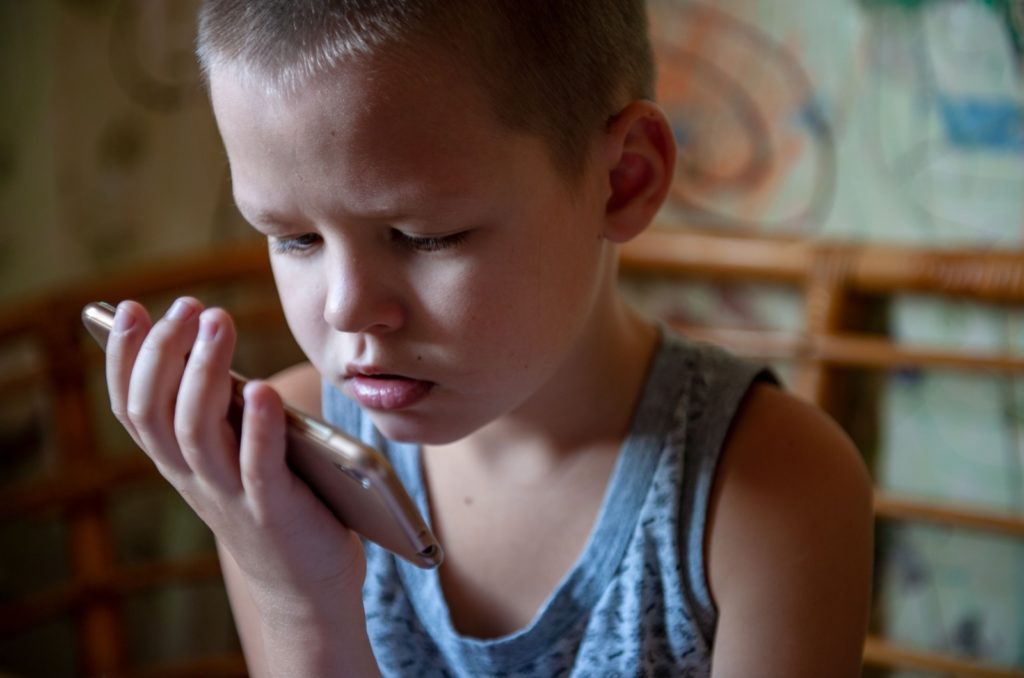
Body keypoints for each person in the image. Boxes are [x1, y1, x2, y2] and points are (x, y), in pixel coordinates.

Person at [103, 1, 873, 675]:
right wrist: (295, 600)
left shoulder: (769, 492)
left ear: (625, 180)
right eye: (294, 238)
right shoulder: (283, 460)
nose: (346, 309)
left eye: (422, 236)